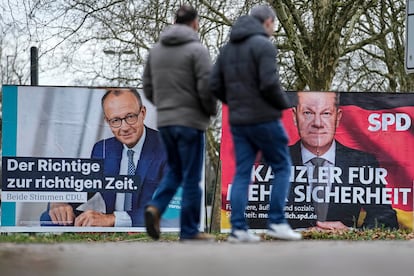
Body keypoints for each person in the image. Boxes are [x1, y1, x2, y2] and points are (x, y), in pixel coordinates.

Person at [209, 5, 302, 242]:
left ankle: (238, 229)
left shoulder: (227, 49)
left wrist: (235, 102)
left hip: (239, 121)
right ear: (268, 22)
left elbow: (214, 85)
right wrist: (285, 104)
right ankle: (277, 222)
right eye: (274, 25)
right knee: (282, 167)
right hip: (264, 118)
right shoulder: (264, 46)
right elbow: (269, 84)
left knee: (243, 172)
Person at [40, 88, 168, 227]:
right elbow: (84, 185)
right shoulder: (103, 149)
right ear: (107, 121)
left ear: (142, 113)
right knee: (51, 218)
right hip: (111, 229)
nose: (124, 127)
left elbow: (171, 209)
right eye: (115, 120)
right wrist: (61, 201)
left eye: (130, 117)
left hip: (147, 226)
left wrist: (112, 219)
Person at [142, 5, 217, 241]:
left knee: (174, 171)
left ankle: (155, 206)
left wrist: (165, 106)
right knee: (192, 177)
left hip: (166, 122)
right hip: (191, 121)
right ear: (195, 23)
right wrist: (209, 111)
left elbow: (148, 87)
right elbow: (206, 87)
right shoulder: (197, 50)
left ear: (175, 22)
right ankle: (189, 232)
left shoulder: (156, 51)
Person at [288, 91, 399, 230]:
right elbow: (257, 217)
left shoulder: (362, 163)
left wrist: (351, 234)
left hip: (345, 250)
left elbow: (387, 221)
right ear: (294, 116)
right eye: (308, 113)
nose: (317, 123)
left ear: (338, 117)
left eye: (326, 113)